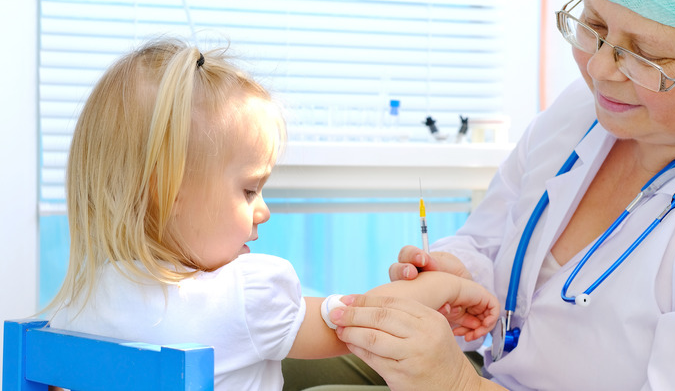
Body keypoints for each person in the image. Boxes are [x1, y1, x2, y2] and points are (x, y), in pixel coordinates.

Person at [286, 0, 675, 390]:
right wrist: (460, 273)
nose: (601, 69)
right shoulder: (589, 109)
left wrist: (456, 385)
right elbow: (488, 237)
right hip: (488, 368)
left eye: (646, 56)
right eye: (594, 28)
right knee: (272, 362)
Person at [43, 38, 500, 390]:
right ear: (165, 191)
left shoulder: (73, 309)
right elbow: (368, 317)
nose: (264, 211)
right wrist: (454, 285)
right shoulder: (246, 297)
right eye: (249, 190)